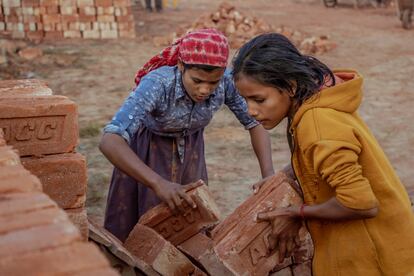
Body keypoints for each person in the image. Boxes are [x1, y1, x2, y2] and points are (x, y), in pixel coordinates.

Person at [232, 33, 414, 275]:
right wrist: (285, 177)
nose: (251, 111)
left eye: (259, 99)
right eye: (245, 100)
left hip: (375, 258)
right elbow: (318, 158)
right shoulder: (316, 105)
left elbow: (360, 203)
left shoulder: (317, 122)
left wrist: (296, 214)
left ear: (291, 86)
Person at [99, 28, 274, 242]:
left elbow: (254, 124)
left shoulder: (226, 82)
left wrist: (268, 176)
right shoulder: (158, 84)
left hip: (191, 152)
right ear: (181, 66)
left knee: (191, 226)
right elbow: (109, 140)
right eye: (197, 81)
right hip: (147, 153)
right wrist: (157, 183)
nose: (204, 90)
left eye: (213, 83)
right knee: (143, 231)